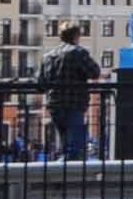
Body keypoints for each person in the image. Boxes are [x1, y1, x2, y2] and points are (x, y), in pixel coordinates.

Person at [40, 23, 102, 167]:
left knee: (64, 145)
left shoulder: (49, 55)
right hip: (74, 104)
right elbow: (95, 73)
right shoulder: (78, 53)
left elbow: (41, 83)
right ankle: (70, 181)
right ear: (76, 37)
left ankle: (60, 177)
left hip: (54, 105)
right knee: (75, 149)